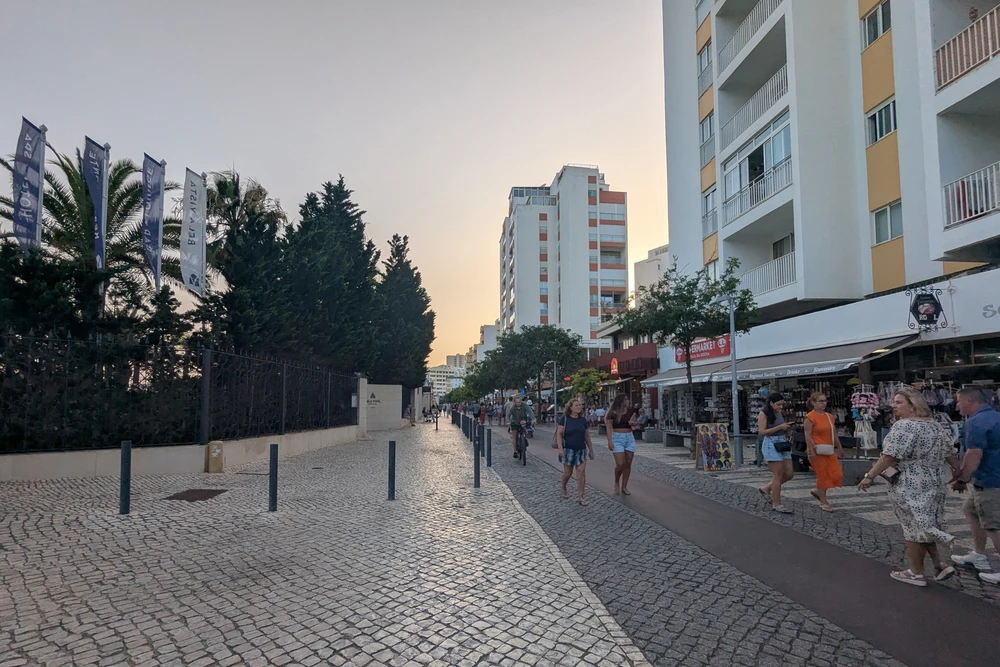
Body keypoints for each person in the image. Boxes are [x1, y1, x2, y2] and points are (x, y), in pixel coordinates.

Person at [858, 387, 960, 587]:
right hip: (934, 481)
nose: (893, 406)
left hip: (910, 482)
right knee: (924, 523)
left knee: (912, 528)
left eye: (898, 402)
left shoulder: (904, 427)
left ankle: (916, 573)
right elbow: (950, 455)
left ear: (913, 406)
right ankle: (938, 564)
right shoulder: (935, 426)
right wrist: (960, 475)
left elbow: (888, 457)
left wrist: (869, 476)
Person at [949, 387, 1000, 584]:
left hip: (990, 481)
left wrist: (962, 479)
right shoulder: (995, 417)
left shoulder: (975, 423)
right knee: (970, 509)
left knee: (994, 524)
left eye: (959, 402)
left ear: (969, 401)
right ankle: (978, 554)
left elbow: (973, 454)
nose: (957, 406)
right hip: (989, 478)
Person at [804, 392, 844, 512]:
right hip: (816, 449)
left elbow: (834, 433)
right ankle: (823, 501)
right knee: (823, 475)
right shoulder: (810, 417)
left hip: (829, 449)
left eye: (825, 401)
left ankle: (818, 491)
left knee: (836, 473)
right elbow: (807, 434)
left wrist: (839, 447)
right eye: (820, 401)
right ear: (813, 403)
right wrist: (810, 449)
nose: (823, 403)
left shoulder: (829, 416)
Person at [757, 393, 795, 514]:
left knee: (789, 473)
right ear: (771, 403)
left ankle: (767, 488)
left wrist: (786, 429)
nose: (781, 407)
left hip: (782, 442)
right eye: (778, 404)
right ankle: (777, 503)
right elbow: (762, 431)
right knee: (777, 474)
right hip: (771, 443)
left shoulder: (778, 413)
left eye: (782, 404)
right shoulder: (763, 414)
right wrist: (779, 427)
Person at [557, 398, 594, 505]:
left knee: (581, 473)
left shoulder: (583, 420)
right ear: (571, 407)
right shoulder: (565, 419)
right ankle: (564, 487)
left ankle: (580, 497)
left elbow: (587, 436)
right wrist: (560, 448)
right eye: (576, 405)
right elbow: (559, 434)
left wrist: (591, 450)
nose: (579, 407)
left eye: (580, 405)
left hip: (581, 449)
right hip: (568, 449)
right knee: (568, 473)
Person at [605, 394, 638, 495]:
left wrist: (634, 423)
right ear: (621, 401)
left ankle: (624, 486)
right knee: (620, 464)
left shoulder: (631, 411)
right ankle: (616, 481)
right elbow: (609, 427)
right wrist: (610, 441)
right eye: (626, 399)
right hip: (617, 437)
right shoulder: (612, 413)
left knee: (628, 463)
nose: (628, 401)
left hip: (629, 436)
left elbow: (635, 423)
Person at [508, 394, 533, 459]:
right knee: (515, 437)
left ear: (521, 402)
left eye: (519, 402)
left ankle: (524, 439)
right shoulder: (513, 407)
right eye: (517, 402)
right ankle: (515, 451)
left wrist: (533, 419)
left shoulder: (525, 406)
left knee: (524, 427)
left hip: (523, 420)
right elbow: (508, 415)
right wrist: (508, 422)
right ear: (514, 402)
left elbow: (530, 412)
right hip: (514, 422)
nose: (518, 403)